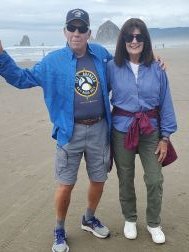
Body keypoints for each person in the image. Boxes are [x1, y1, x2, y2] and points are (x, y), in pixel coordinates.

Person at [0, 9, 112, 252]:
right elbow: (21, 78)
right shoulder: (52, 62)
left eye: (82, 29)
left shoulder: (102, 55)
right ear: (64, 31)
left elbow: (125, 69)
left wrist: (150, 61)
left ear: (89, 33)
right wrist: (0, 55)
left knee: (99, 179)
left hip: (100, 129)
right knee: (65, 184)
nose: (76, 33)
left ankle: (89, 218)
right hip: (68, 132)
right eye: (72, 28)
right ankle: (59, 229)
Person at [107, 18, 177, 244]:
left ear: (145, 40)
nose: (134, 41)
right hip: (121, 130)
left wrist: (165, 137)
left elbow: (165, 102)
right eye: (129, 36)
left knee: (155, 179)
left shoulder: (157, 68)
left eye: (139, 36)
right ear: (123, 40)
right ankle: (130, 218)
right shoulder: (111, 67)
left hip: (151, 131)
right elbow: (97, 96)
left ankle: (153, 222)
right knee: (125, 176)